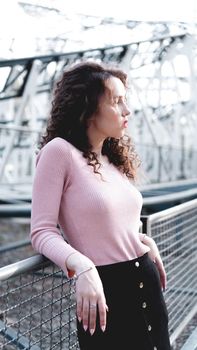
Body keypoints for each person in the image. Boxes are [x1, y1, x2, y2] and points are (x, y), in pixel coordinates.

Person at [30, 60, 171, 350]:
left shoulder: (112, 160)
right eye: (117, 101)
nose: (127, 110)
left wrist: (144, 241)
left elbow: (113, 226)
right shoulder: (59, 153)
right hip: (105, 297)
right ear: (88, 108)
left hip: (147, 283)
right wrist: (82, 266)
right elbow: (41, 231)